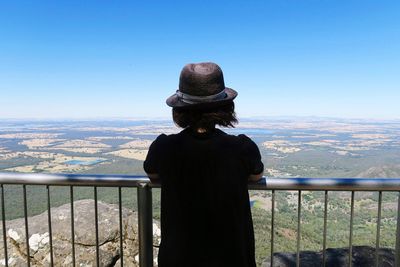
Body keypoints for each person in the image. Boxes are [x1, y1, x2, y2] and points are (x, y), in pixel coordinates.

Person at [143, 62, 264, 267]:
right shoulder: (242, 147)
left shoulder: (164, 147)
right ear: (225, 107)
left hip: (178, 258)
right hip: (232, 258)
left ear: (179, 109)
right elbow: (256, 176)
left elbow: (153, 175)